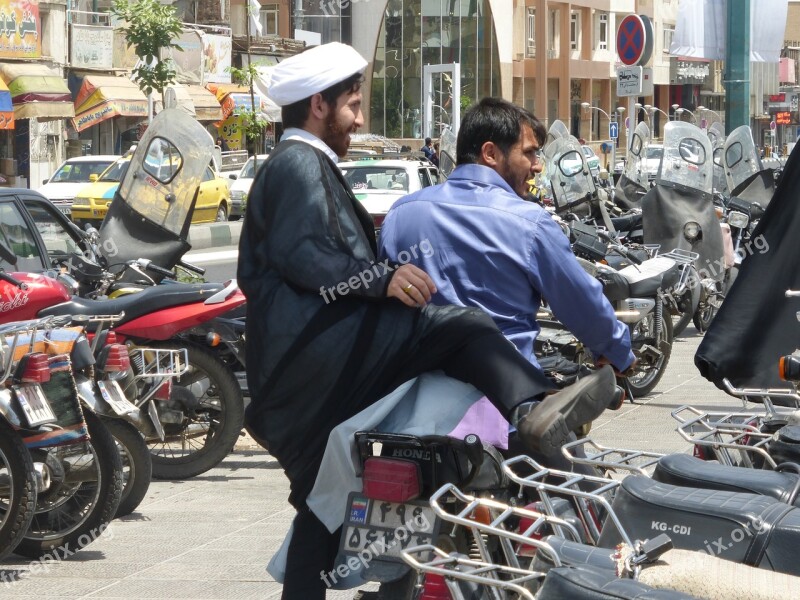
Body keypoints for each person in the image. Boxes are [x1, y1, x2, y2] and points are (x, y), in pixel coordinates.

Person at [238, 43, 615, 600]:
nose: (360, 118)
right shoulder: (297, 163)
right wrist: (382, 282)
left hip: (302, 365)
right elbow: (306, 256)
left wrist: (385, 275)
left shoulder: (301, 164)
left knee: (321, 506)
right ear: (318, 105)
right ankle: (534, 409)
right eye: (353, 105)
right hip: (320, 356)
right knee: (461, 326)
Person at [380, 97, 635, 377]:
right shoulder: (530, 224)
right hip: (504, 396)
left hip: (411, 392)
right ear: (490, 153)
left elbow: (379, 298)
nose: (537, 166)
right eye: (529, 153)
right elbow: (580, 301)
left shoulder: (401, 215)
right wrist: (617, 351)